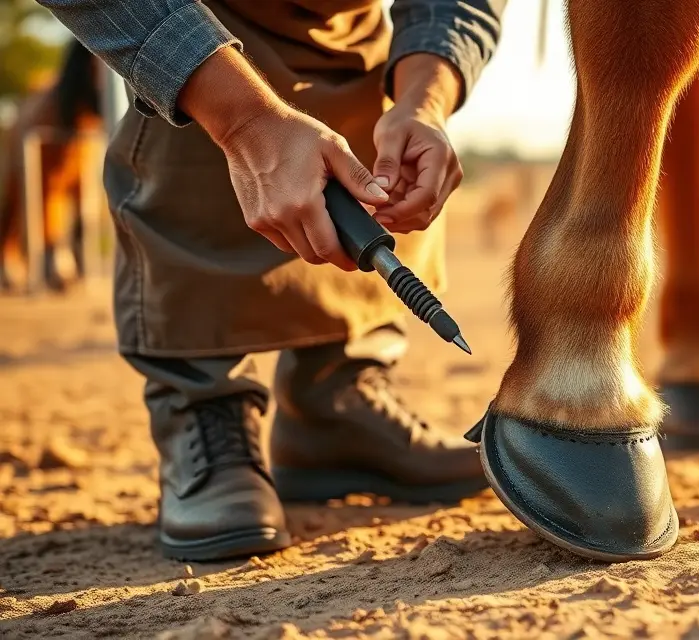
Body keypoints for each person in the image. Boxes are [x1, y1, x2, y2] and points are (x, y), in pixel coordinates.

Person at [35, 0, 505, 562]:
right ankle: (205, 403)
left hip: (354, 40)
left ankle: (336, 402)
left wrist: (425, 101)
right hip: (190, 23)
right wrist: (244, 119)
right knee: (189, 90)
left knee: (362, 91)